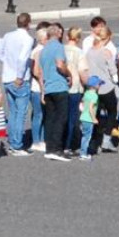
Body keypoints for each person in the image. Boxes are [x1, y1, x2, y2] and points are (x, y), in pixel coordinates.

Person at [0, 12, 34, 156]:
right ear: (28, 24)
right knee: (21, 113)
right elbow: (23, 59)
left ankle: (12, 140)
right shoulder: (28, 39)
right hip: (20, 79)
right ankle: (17, 145)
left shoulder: (8, 36)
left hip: (7, 77)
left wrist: (7, 63)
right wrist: (19, 76)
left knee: (12, 111)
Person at [80, 24, 118, 153]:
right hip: (106, 86)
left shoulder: (90, 51)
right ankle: (106, 139)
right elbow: (112, 69)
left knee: (94, 114)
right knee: (112, 112)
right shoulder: (106, 51)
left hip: (93, 86)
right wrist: (116, 79)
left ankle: (93, 142)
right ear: (107, 38)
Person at [37, 24, 72, 161]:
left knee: (50, 118)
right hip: (59, 85)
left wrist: (42, 90)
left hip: (48, 86)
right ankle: (57, 149)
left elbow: (40, 72)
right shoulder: (58, 46)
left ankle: (49, 147)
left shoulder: (44, 50)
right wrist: (68, 74)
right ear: (58, 34)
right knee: (61, 118)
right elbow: (59, 64)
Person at [28, 22, 50, 152]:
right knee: (38, 115)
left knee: (41, 114)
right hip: (38, 87)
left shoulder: (38, 50)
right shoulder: (39, 51)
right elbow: (36, 71)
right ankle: (36, 141)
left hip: (38, 86)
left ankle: (41, 139)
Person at [64, 26, 84, 154]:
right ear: (78, 38)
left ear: (67, 36)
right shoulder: (79, 52)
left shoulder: (62, 49)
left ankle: (61, 142)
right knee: (73, 117)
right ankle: (69, 144)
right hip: (75, 86)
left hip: (63, 85)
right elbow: (82, 71)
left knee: (62, 116)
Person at [78, 76, 101, 161]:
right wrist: (94, 118)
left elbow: (82, 103)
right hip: (88, 119)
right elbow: (91, 108)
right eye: (99, 84)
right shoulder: (94, 95)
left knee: (84, 136)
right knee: (87, 137)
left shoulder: (86, 93)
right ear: (95, 85)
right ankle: (83, 154)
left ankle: (82, 152)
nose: (100, 86)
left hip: (83, 117)